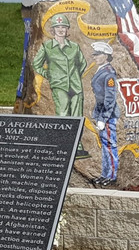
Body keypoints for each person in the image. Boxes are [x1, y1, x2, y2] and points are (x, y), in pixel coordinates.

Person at [32, 13, 86, 119]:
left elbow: (82, 63)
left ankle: (76, 136)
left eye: (63, 27)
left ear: (67, 30)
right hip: (59, 85)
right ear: (53, 30)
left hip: (76, 86)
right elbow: (36, 64)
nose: (61, 29)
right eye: (57, 27)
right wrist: (50, 75)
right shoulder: (47, 46)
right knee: (62, 114)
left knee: (77, 116)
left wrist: (75, 75)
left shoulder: (74, 47)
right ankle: (62, 136)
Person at [89, 41, 120, 185]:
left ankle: (111, 176)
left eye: (97, 54)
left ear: (106, 56)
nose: (94, 57)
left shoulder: (108, 74)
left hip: (108, 115)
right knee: (105, 145)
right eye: (94, 54)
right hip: (102, 113)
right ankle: (105, 174)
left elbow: (110, 99)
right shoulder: (101, 70)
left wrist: (103, 118)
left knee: (110, 145)